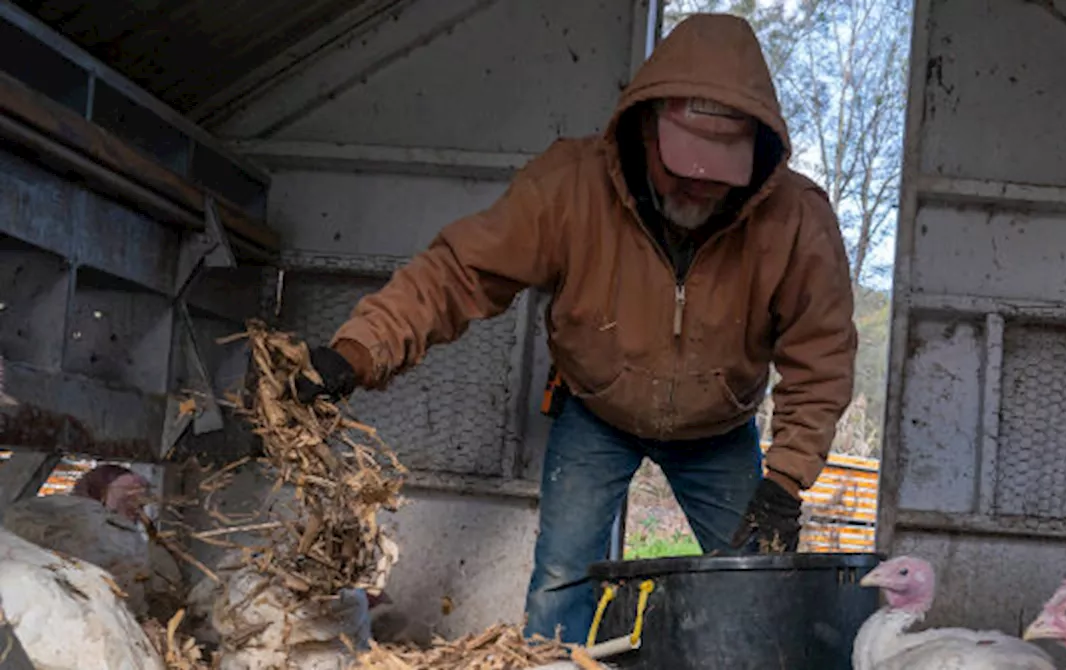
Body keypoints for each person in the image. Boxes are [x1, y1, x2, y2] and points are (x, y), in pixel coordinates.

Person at [294, 12, 856, 643]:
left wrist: (784, 481)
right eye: (682, 164)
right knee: (560, 582)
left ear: (756, 155)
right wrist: (357, 351)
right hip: (598, 410)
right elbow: (459, 273)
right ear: (645, 126)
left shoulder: (797, 220)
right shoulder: (570, 186)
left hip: (718, 428)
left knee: (762, 583)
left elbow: (822, 356)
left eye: (718, 171)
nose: (697, 186)